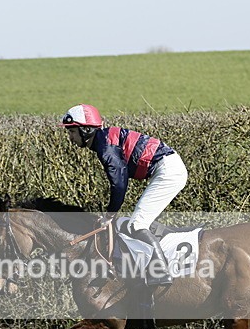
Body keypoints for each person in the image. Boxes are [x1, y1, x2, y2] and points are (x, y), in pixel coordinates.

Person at [60, 103, 188, 285]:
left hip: (168, 171)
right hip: (166, 168)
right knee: (136, 222)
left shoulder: (106, 148)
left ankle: (161, 272)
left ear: (86, 130)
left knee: (137, 224)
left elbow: (119, 184)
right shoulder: (104, 141)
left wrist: (109, 215)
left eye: (72, 132)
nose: (70, 138)